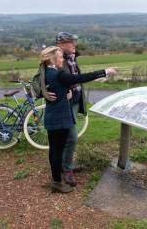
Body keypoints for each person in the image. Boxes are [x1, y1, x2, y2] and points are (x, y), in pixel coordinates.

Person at [40, 46, 116, 193]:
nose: (63, 59)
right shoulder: (58, 75)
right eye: (60, 57)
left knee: (54, 150)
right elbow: (80, 78)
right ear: (52, 59)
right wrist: (105, 72)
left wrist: (64, 93)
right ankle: (56, 182)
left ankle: (55, 178)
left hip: (52, 117)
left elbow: (55, 87)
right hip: (60, 118)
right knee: (57, 151)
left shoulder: (46, 71)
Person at [43, 32, 89, 187]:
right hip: (64, 106)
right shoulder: (54, 59)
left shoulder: (72, 57)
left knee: (68, 138)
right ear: (60, 45)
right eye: (71, 42)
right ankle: (66, 170)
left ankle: (65, 165)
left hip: (75, 102)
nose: (74, 44)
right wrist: (43, 92)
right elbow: (38, 79)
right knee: (72, 137)